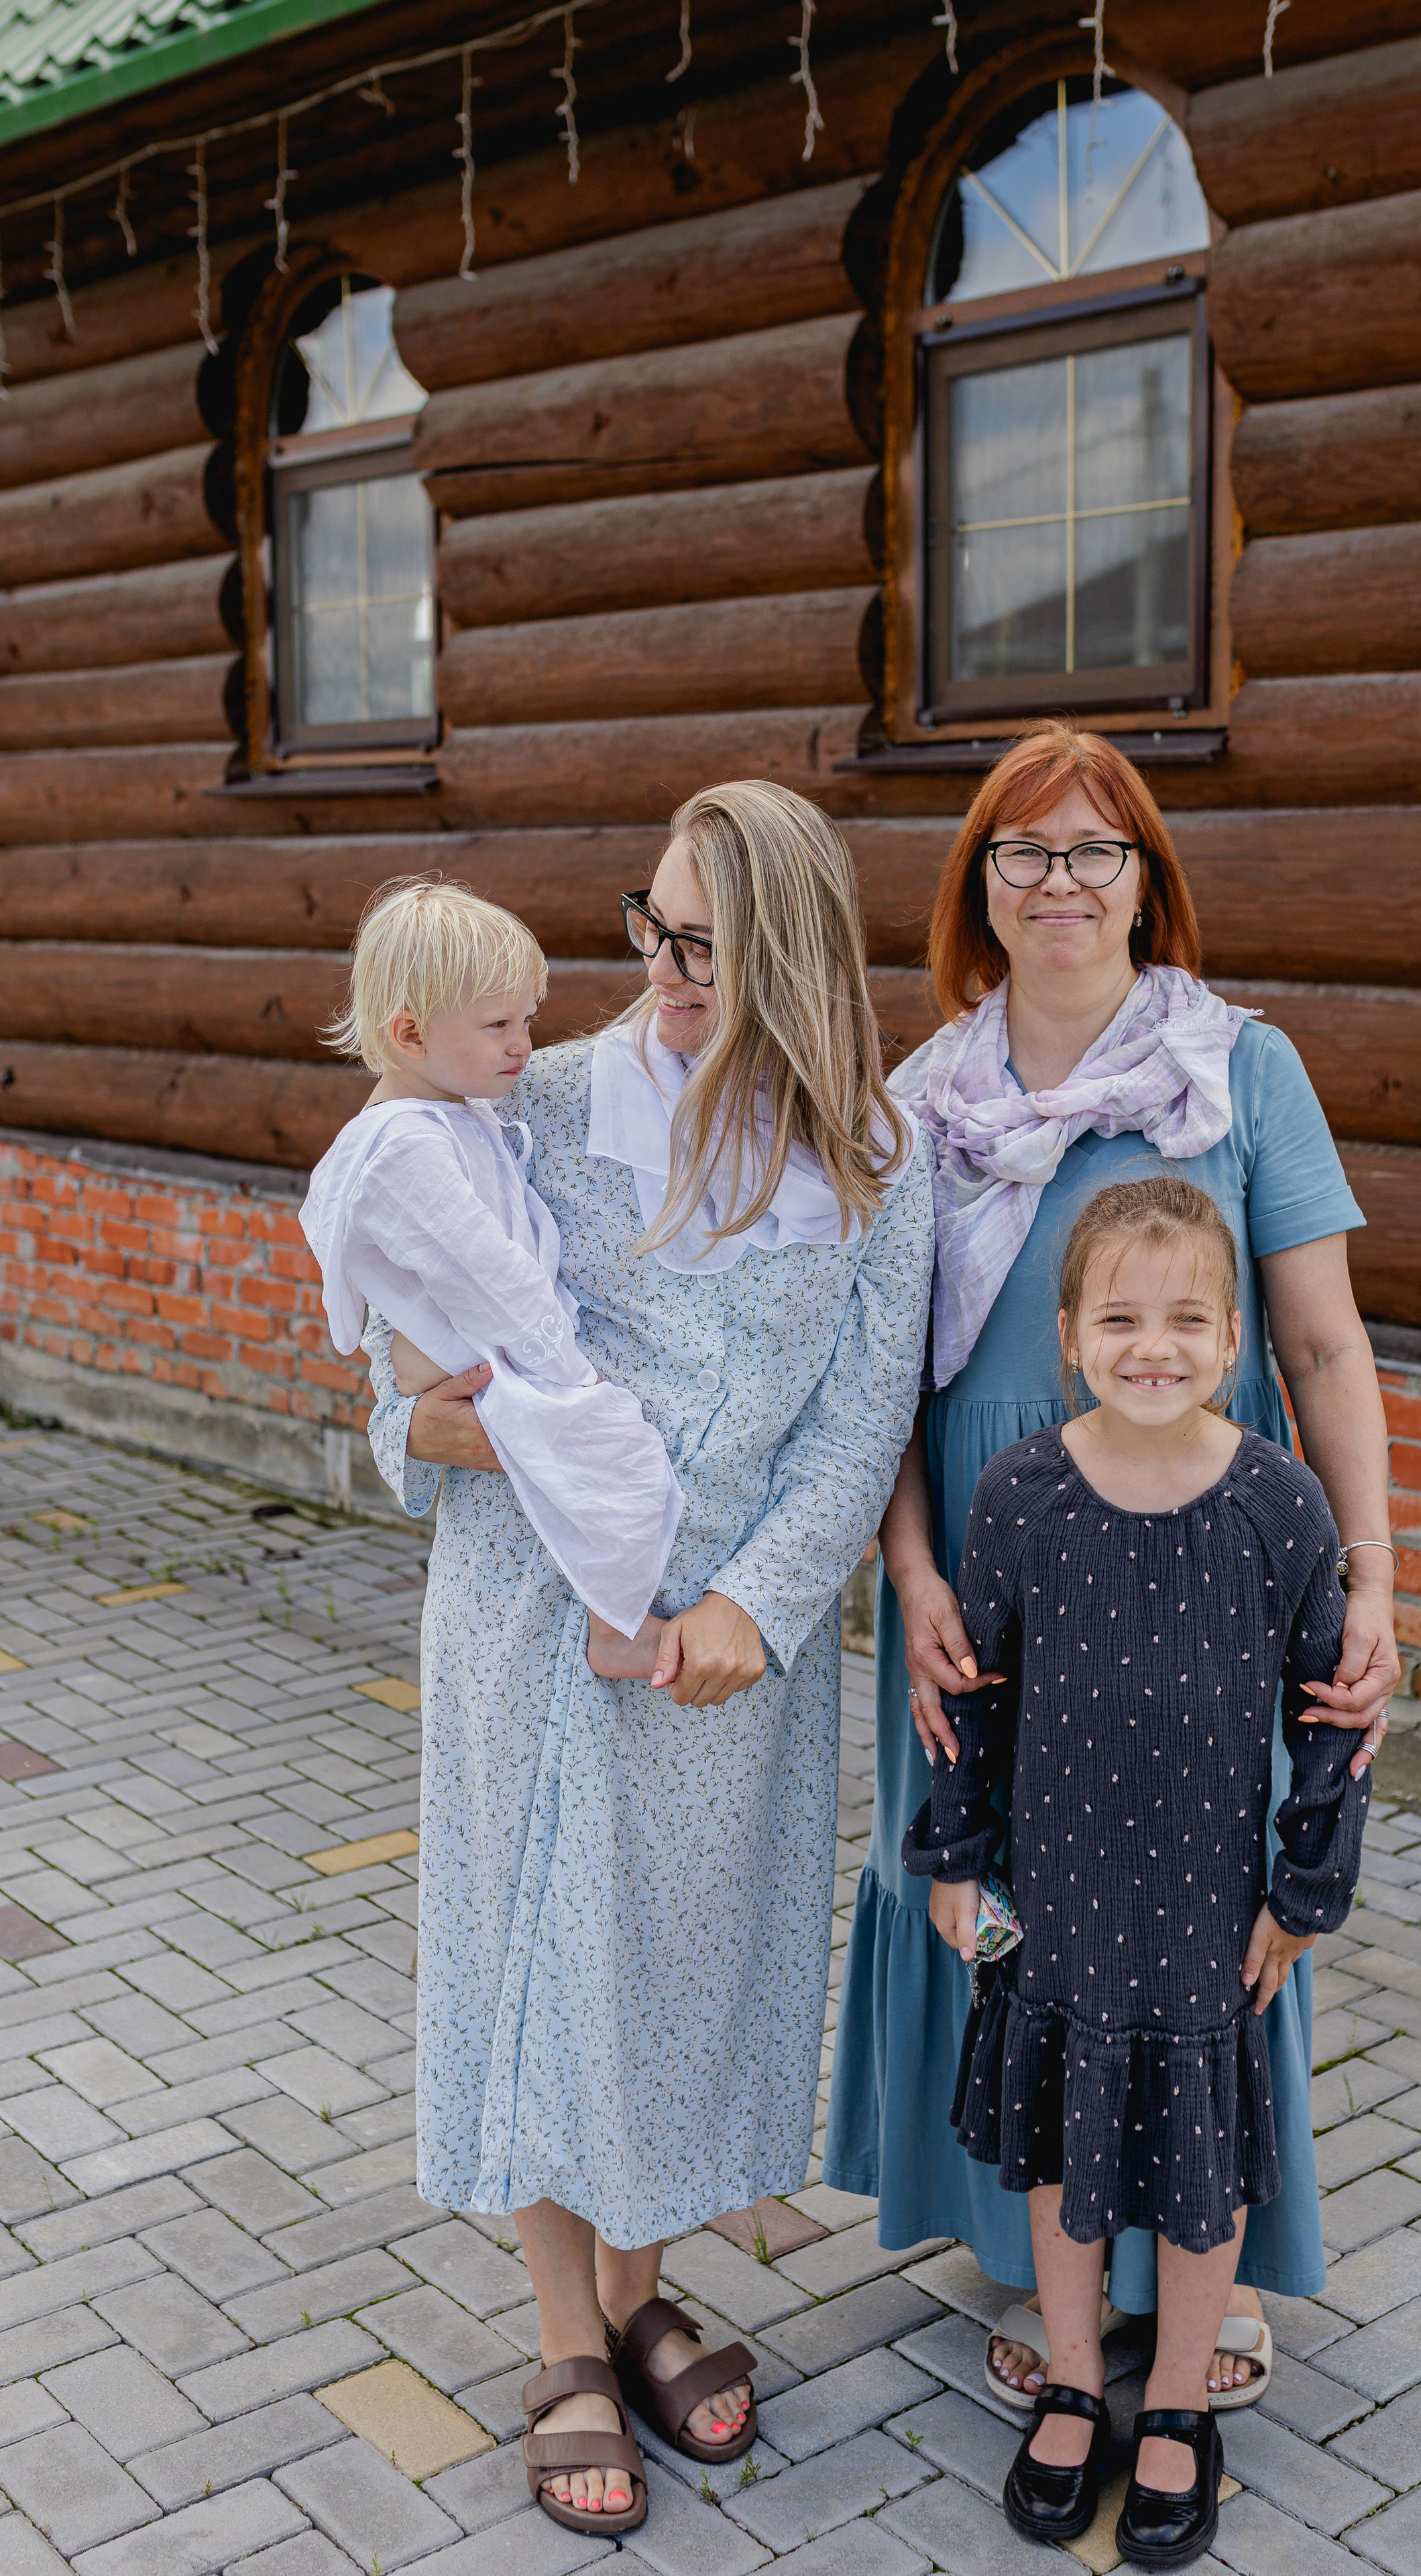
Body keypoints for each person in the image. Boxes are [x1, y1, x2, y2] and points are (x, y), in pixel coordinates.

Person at [359, 784, 934, 2539]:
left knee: (677, 1979)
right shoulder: (520, 1106)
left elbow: (856, 1426)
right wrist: (450, 1433)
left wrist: (746, 1613)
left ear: (795, 956)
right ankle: (564, 2347)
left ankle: (638, 2286)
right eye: (655, 929)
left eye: (708, 944)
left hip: (723, 1659)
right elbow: (401, 1371)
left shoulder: (872, 1159)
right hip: (534, 1628)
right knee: (548, 1963)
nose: (666, 971)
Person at [824, 722, 1400, 2405]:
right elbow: (877, 1390)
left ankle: (1195, 2265)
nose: (1059, 881)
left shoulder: (1239, 1069)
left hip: (1199, 1573)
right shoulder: (916, 1106)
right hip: (984, 1570)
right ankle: (1031, 2265)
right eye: (1024, 853)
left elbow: (1321, 1343)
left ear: (1145, 880)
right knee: (1011, 1893)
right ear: (977, 891)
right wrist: (909, 1575)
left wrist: (1365, 1573)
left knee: (1191, 1896)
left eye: (1093, 850)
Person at [909, 1176, 1367, 2564]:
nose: (1148, 1346)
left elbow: (1329, 1714)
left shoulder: (1278, 1506)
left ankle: (1172, 2402)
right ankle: (1067, 2373)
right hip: (1054, 1899)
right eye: (1117, 1317)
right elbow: (967, 1694)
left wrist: (1300, 1892)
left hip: (1201, 1917)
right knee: (1055, 2150)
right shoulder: (1022, 1495)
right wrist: (952, 1859)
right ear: (1068, 1335)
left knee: (1197, 2167)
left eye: (1182, 1320)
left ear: (1229, 1339)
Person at [301, 877, 682, 1658]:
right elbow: (485, 1276)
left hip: (490, 1353)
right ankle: (618, 1628)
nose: (523, 1045)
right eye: (498, 1024)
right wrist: (570, 1375)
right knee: (617, 1453)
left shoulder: (452, 1113)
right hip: (486, 1358)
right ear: (410, 1035)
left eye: (527, 1019)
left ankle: (615, 1616)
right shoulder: (404, 1148)